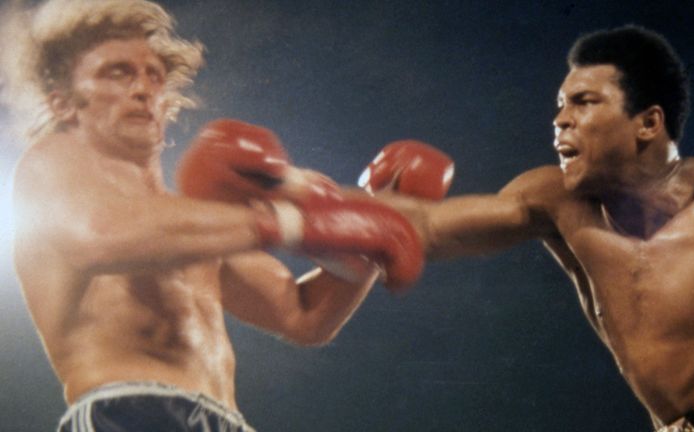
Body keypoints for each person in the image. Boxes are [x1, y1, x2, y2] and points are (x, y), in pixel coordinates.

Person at [2, 0, 445, 430]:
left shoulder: (194, 225)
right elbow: (98, 236)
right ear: (63, 103)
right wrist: (290, 223)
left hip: (225, 419)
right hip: (128, 411)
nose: (143, 89)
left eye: (153, 76)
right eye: (117, 72)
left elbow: (303, 315)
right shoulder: (50, 164)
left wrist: (363, 231)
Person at [363, 25, 694, 432]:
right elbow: (423, 230)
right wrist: (306, 194)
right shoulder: (558, 202)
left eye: (583, 102)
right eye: (561, 104)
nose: (560, 120)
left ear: (647, 123)